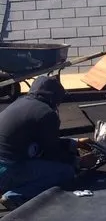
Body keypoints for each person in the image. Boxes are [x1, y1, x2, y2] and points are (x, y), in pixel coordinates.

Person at [0, 77, 96, 209]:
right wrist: (79, 162)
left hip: (6, 166)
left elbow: (41, 143)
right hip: (9, 170)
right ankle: (16, 195)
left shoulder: (20, 103)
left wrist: (75, 143)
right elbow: (51, 152)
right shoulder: (46, 113)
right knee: (65, 172)